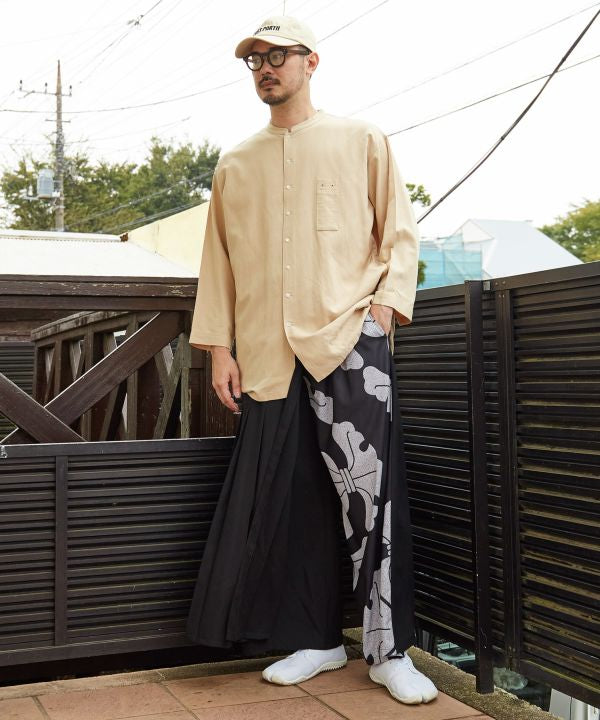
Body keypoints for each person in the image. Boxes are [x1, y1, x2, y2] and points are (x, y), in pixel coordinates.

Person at [186, 15, 438, 705]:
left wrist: (383, 310)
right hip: (267, 355)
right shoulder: (236, 163)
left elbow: (399, 233)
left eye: (279, 55)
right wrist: (218, 348)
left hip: (350, 341)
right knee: (294, 501)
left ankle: (389, 651)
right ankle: (317, 639)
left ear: (311, 62)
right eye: (256, 59)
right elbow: (218, 264)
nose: (267, 68)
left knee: (372, 497)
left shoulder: (361, 139)